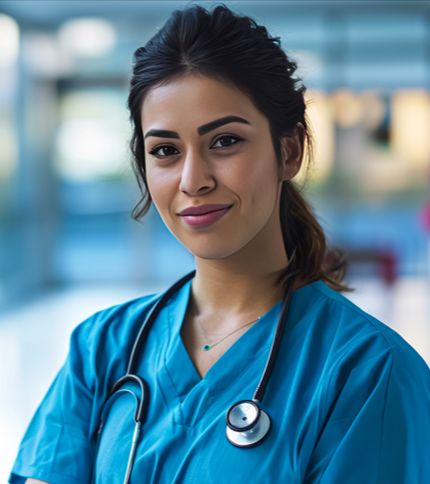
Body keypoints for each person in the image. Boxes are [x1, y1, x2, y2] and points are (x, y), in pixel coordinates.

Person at [10, 4, 430, 484]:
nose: (193, 180)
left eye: (225, 141)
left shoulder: (370, 372)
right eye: (165, 151)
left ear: (288, 150)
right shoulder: (104, 347)